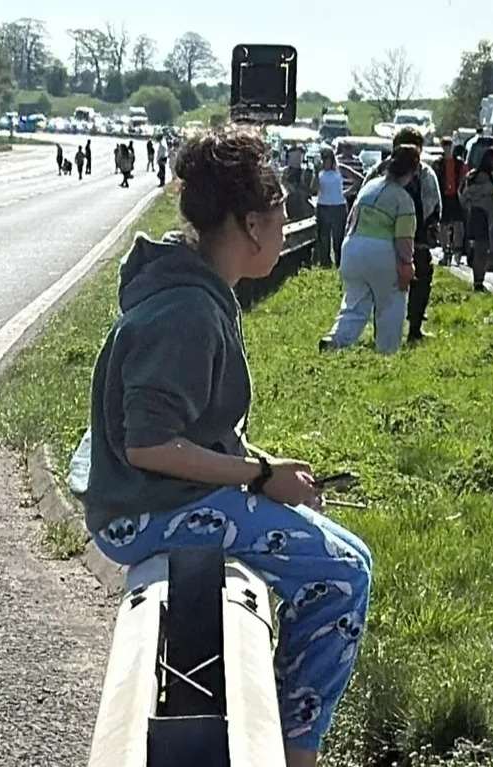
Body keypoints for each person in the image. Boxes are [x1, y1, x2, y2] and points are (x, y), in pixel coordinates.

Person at [82, 128, 372, 767]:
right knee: (344, 574)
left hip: (158, 499)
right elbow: (148, 444)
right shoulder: (188, 310)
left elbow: (191, 433)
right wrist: (259, 474)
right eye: (281, 215)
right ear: (249, 223)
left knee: (347, 555)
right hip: (144, 511)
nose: (287, 227)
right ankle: (293, 751)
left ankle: (281, 725)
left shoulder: (195, 290)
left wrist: (269, 473)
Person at [320, 144, 421, 354]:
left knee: (354, 304)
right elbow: (404, 239)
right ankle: (387, 352)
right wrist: (407, 264)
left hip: (352, 248)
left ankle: (336, 340)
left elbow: (350, 221)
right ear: (412, 172)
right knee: (391, 303)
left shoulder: (369, 187)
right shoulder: (403, 199)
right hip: (382, 253)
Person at [368, 126, 441, 343]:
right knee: (386, 285)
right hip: (389, 237)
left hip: (410, 238)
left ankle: (413, 328)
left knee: (418, 281)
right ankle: (388, 330)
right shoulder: (381, 170)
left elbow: (432, 203)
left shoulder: (425, 174)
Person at [460, 147, 493, 292]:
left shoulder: (480, 175)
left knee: (483, 250)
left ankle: (479, 280)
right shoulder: (481, 177)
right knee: (481, 250)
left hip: (481, 214)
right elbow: (469, 194)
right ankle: (478, 282)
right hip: (480, 214)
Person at [312, 148, 348, 267]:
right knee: (323, 237)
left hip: (338, 206)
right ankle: (325, 263)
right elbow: (313, 189)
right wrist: (316, 174)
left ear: (332, 159)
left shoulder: (340, 169)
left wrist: (346, 192)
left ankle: (339, 262)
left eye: (327, 158)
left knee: (338, 237)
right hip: (323, 206)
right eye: (323, 159)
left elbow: (358, 178)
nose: (325, 161)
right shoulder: (319, 173)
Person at [435, 137, 467, 266]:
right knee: (443, 225)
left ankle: (457, 251)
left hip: (456, 196)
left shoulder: (459, 163)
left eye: (449, 145)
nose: (447, 148)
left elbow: (464, 178)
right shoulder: (439, 163)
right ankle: (446, 251)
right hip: (443, 196)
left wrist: (461, 191)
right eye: (445, 145)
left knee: (458, 224)